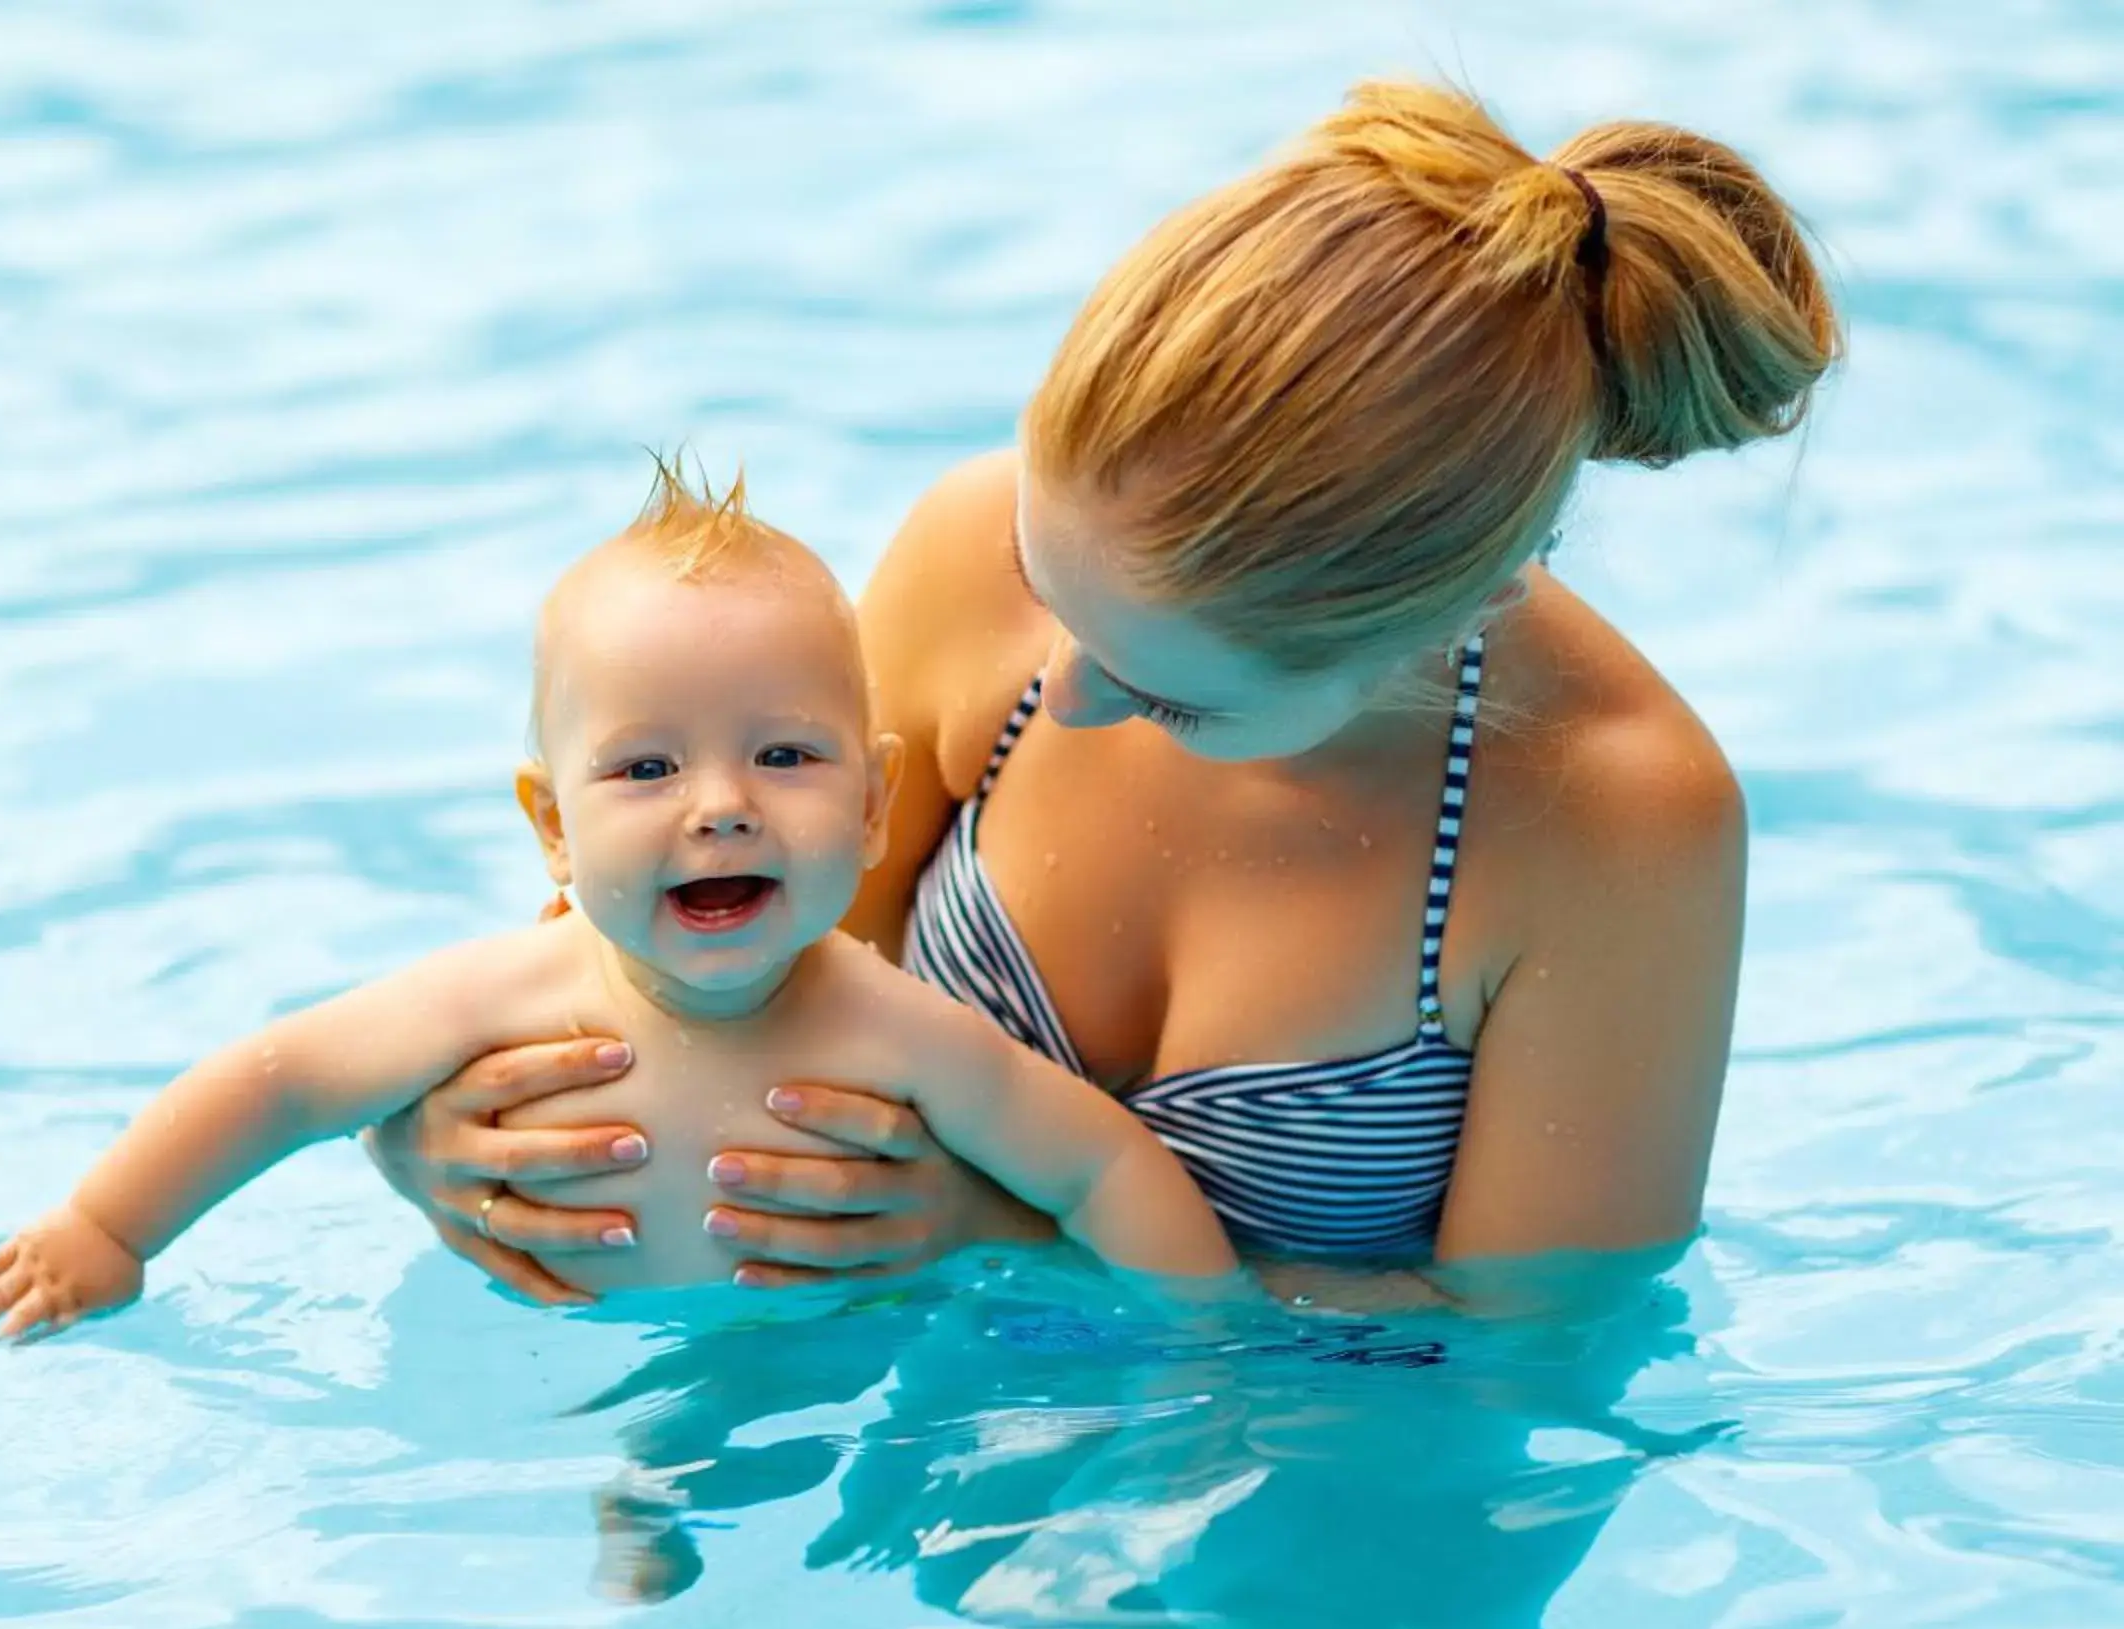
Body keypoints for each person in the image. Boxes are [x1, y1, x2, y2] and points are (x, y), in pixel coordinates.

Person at [373, 82, 1842, 1315]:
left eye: (1169, 697)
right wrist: (453, 1132)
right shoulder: (969, 548)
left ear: (1460, 611)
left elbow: (1527, 1359)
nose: (1059, 688)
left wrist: (1007, 1239)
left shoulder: (1617, 824)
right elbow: (689, 972)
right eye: (1048, 581)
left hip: (1317, 1507)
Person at [0, 464, 1236, 1342]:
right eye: (647, 768)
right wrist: (107, 1228)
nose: (721, 806)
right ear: (552, 826)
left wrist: (1206, 1340)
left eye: (785, 757)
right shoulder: (502, 997)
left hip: (840, 1343)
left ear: (874, 807)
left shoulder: (901, 1033)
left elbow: (1104, 1166)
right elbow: (277, 1080)